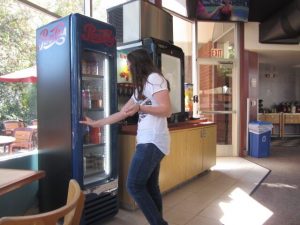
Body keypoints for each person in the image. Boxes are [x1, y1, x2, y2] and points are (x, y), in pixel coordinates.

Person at [80, 49, 171, 225]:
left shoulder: (154, 78)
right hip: (148, 141)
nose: (128, 68)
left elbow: (166, 110)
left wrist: (141, 108)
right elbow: (122, 113)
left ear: (138, 63)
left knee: (134, 185)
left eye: (129, 64)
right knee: (150, 187)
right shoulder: (140, 88)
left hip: (152, 141)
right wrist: (97, 123)